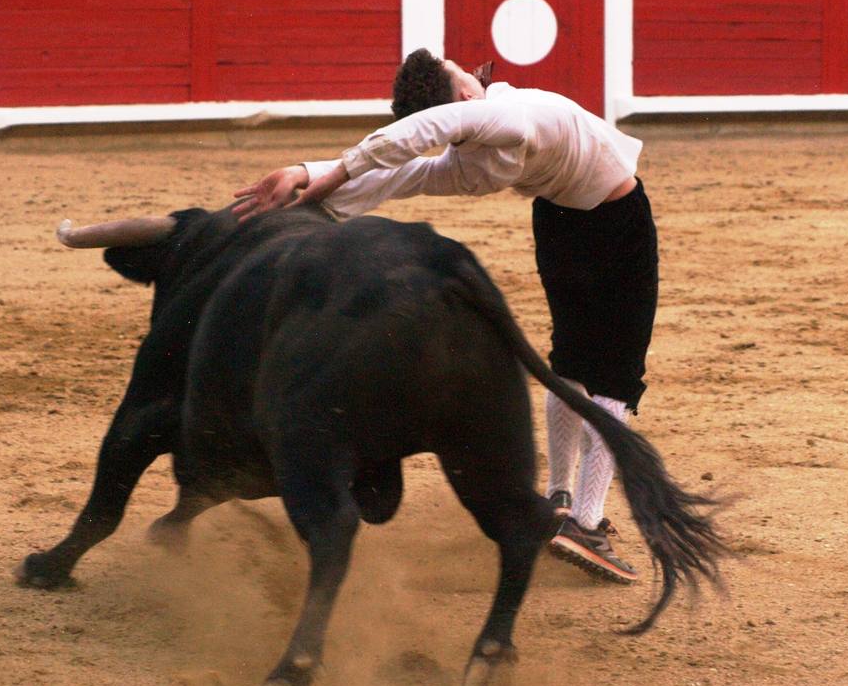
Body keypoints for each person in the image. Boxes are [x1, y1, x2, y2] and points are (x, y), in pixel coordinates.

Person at [231, 49, 658, 585]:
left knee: (571, 361)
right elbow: (418, 135)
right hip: (617, 225)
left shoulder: (472, 164)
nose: (469, 69)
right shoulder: (499, 116)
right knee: (614, 376)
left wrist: (306, 175)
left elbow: (399, 175)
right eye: (459, 73)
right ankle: (587, 521)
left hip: (559, 227)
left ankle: (558, 498)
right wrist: (334, 168)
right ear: (461, 96)